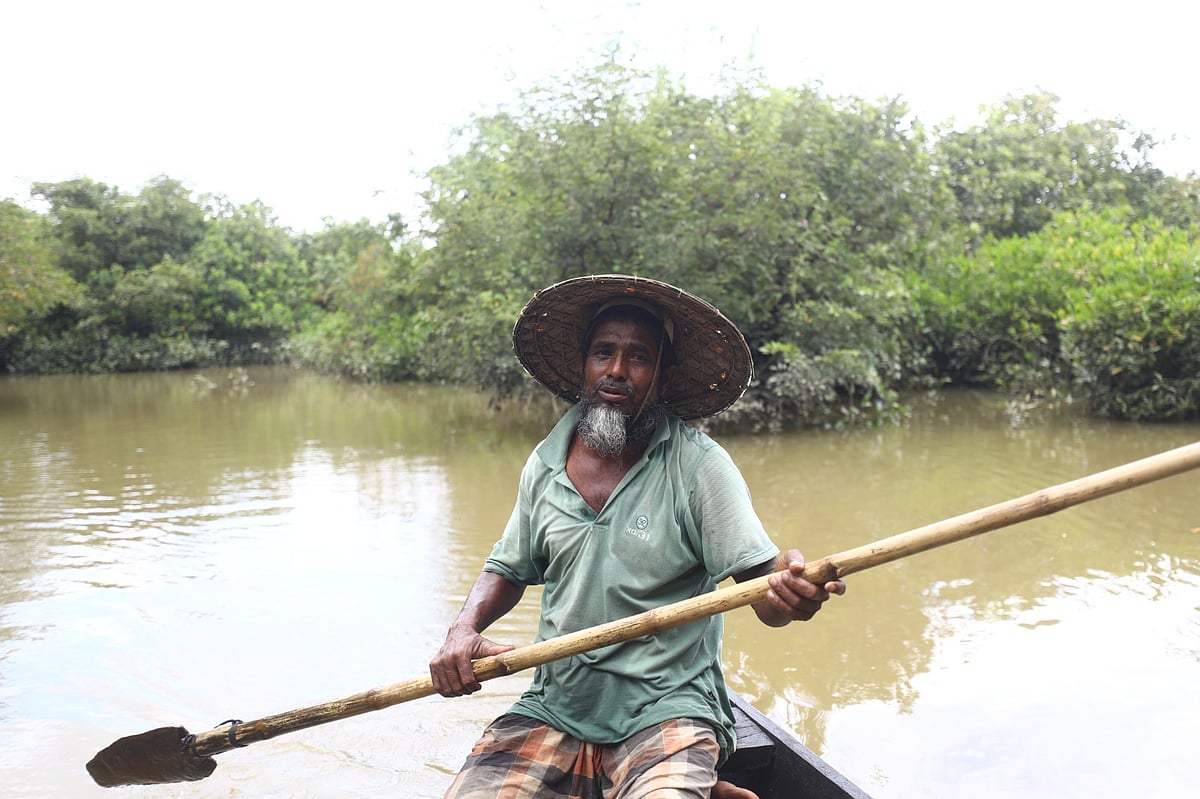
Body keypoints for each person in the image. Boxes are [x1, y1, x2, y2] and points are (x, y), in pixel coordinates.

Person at [430, 274, 845, 799]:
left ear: (664, 377)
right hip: (559, 705)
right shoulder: (545, 463)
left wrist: (792, 593)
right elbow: (508, 569)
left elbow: (765, 595)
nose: (617, 371)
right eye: (604, 352)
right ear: (585, 363)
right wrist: (461, 631)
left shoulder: (698, 467)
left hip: (667, 710)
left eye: (639, 357)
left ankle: (676, 778)